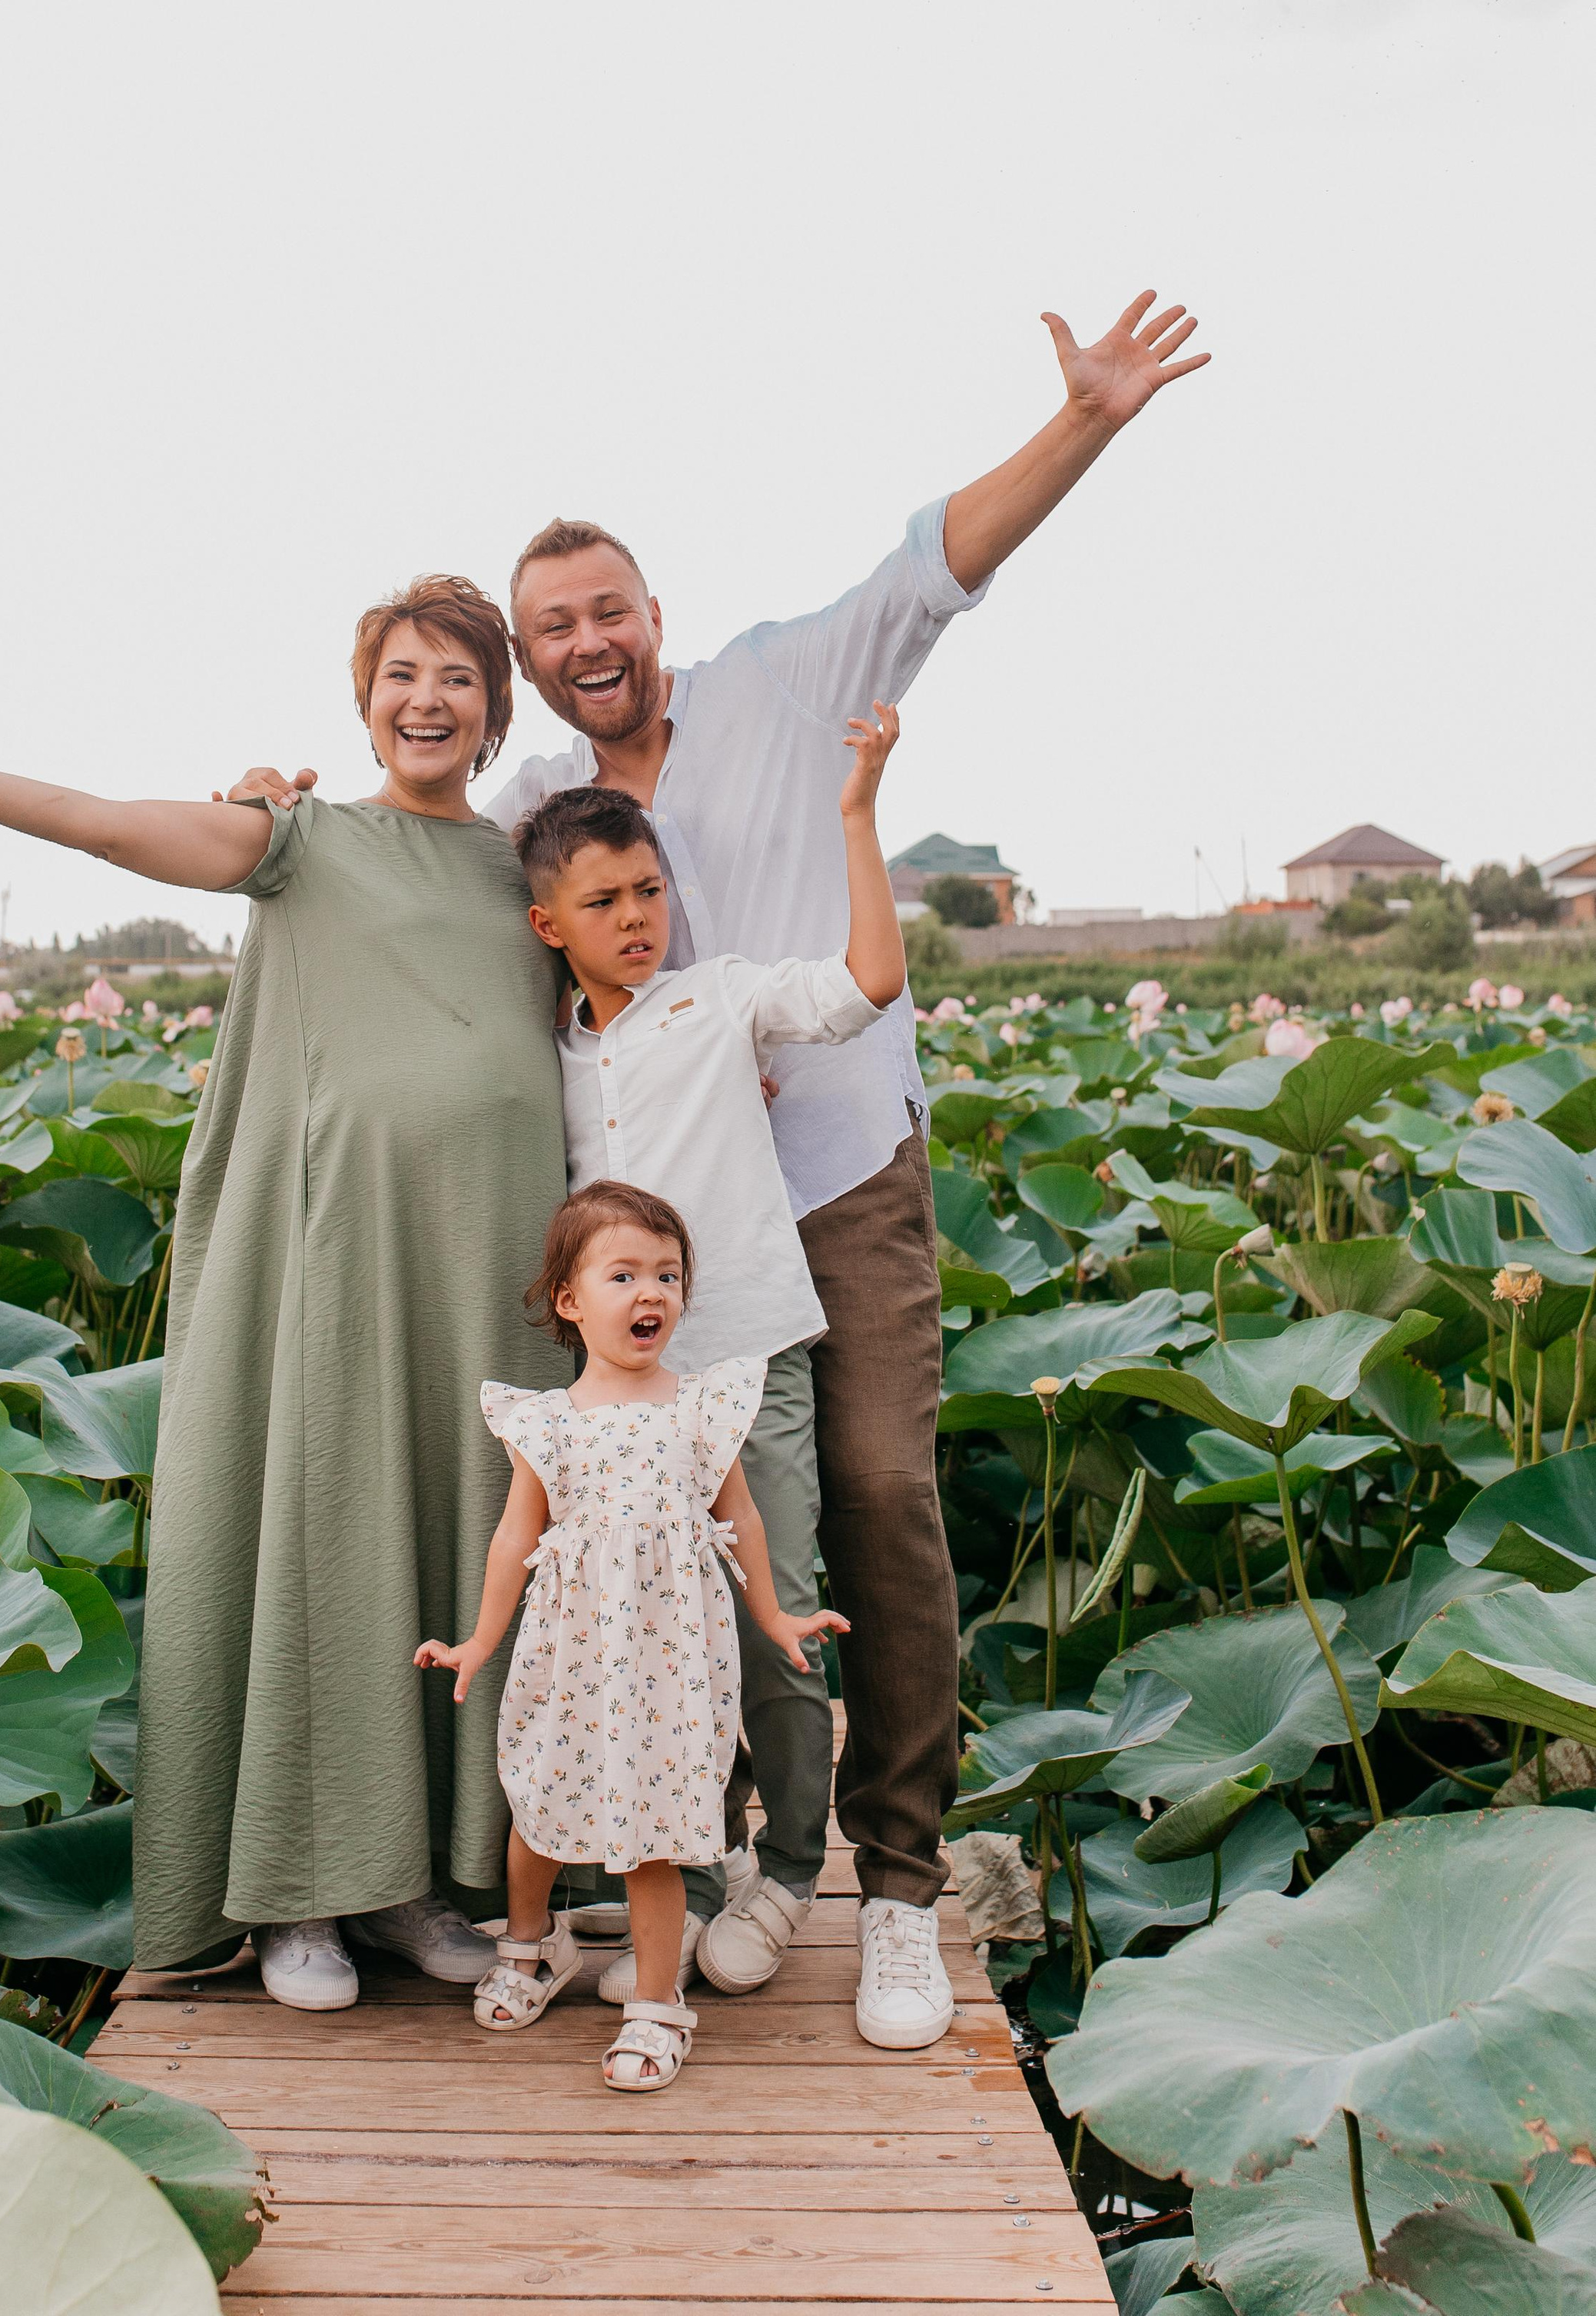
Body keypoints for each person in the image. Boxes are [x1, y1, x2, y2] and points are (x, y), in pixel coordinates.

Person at [220, 286, 1206, 2046]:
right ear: (528, 660)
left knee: (878, 1502)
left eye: (604, 609)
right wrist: (280, 811)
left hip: (827, 1182)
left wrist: (1089, 418)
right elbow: (397, 869)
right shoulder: (529, 802)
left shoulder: (780, 676)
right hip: (636, 1254)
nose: (582, 641)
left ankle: (888, 1890)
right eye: (548, 629)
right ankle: (665, 1854)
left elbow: (934, 562)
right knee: (648, 1544)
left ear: (650, 614)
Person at [0, 575, 569, 2014]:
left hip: (491, 1269)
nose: (428, 698)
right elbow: (105, 822)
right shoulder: (300, 836)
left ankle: (410, 1888)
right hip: (341, 1255)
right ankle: (295, 1897)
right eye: (402, 673)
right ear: (365, 697)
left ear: (497, 707)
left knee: (458, 1553)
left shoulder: (525, 866)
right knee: (331, 1542)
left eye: (458, 675)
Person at [507, 701, 907, 2016]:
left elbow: (864, 986)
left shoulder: (722, 1001)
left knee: (770, 1624)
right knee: (636, 1636)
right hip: (618, 1405)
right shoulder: (542, 1066)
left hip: (744, 1366)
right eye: (605, 900)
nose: (637, 916)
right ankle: (694, 1857)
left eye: (650, 889)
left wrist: (856, 817)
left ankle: (791, 1869)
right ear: (546, 926)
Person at [415, 1182, 847, 2094]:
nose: (650, 1292)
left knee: (656, 1835)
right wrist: (478, 1641)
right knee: (536, 1811)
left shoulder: (701, 1412)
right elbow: (512, 1540)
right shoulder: (549, 1424)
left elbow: (745, 1524)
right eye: (623, 1275)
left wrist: (773, 1615)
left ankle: (657, 2005)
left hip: (670, 1668)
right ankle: (533, 1948)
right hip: (570, 1657)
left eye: (667, 1275)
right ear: (571, 1302)